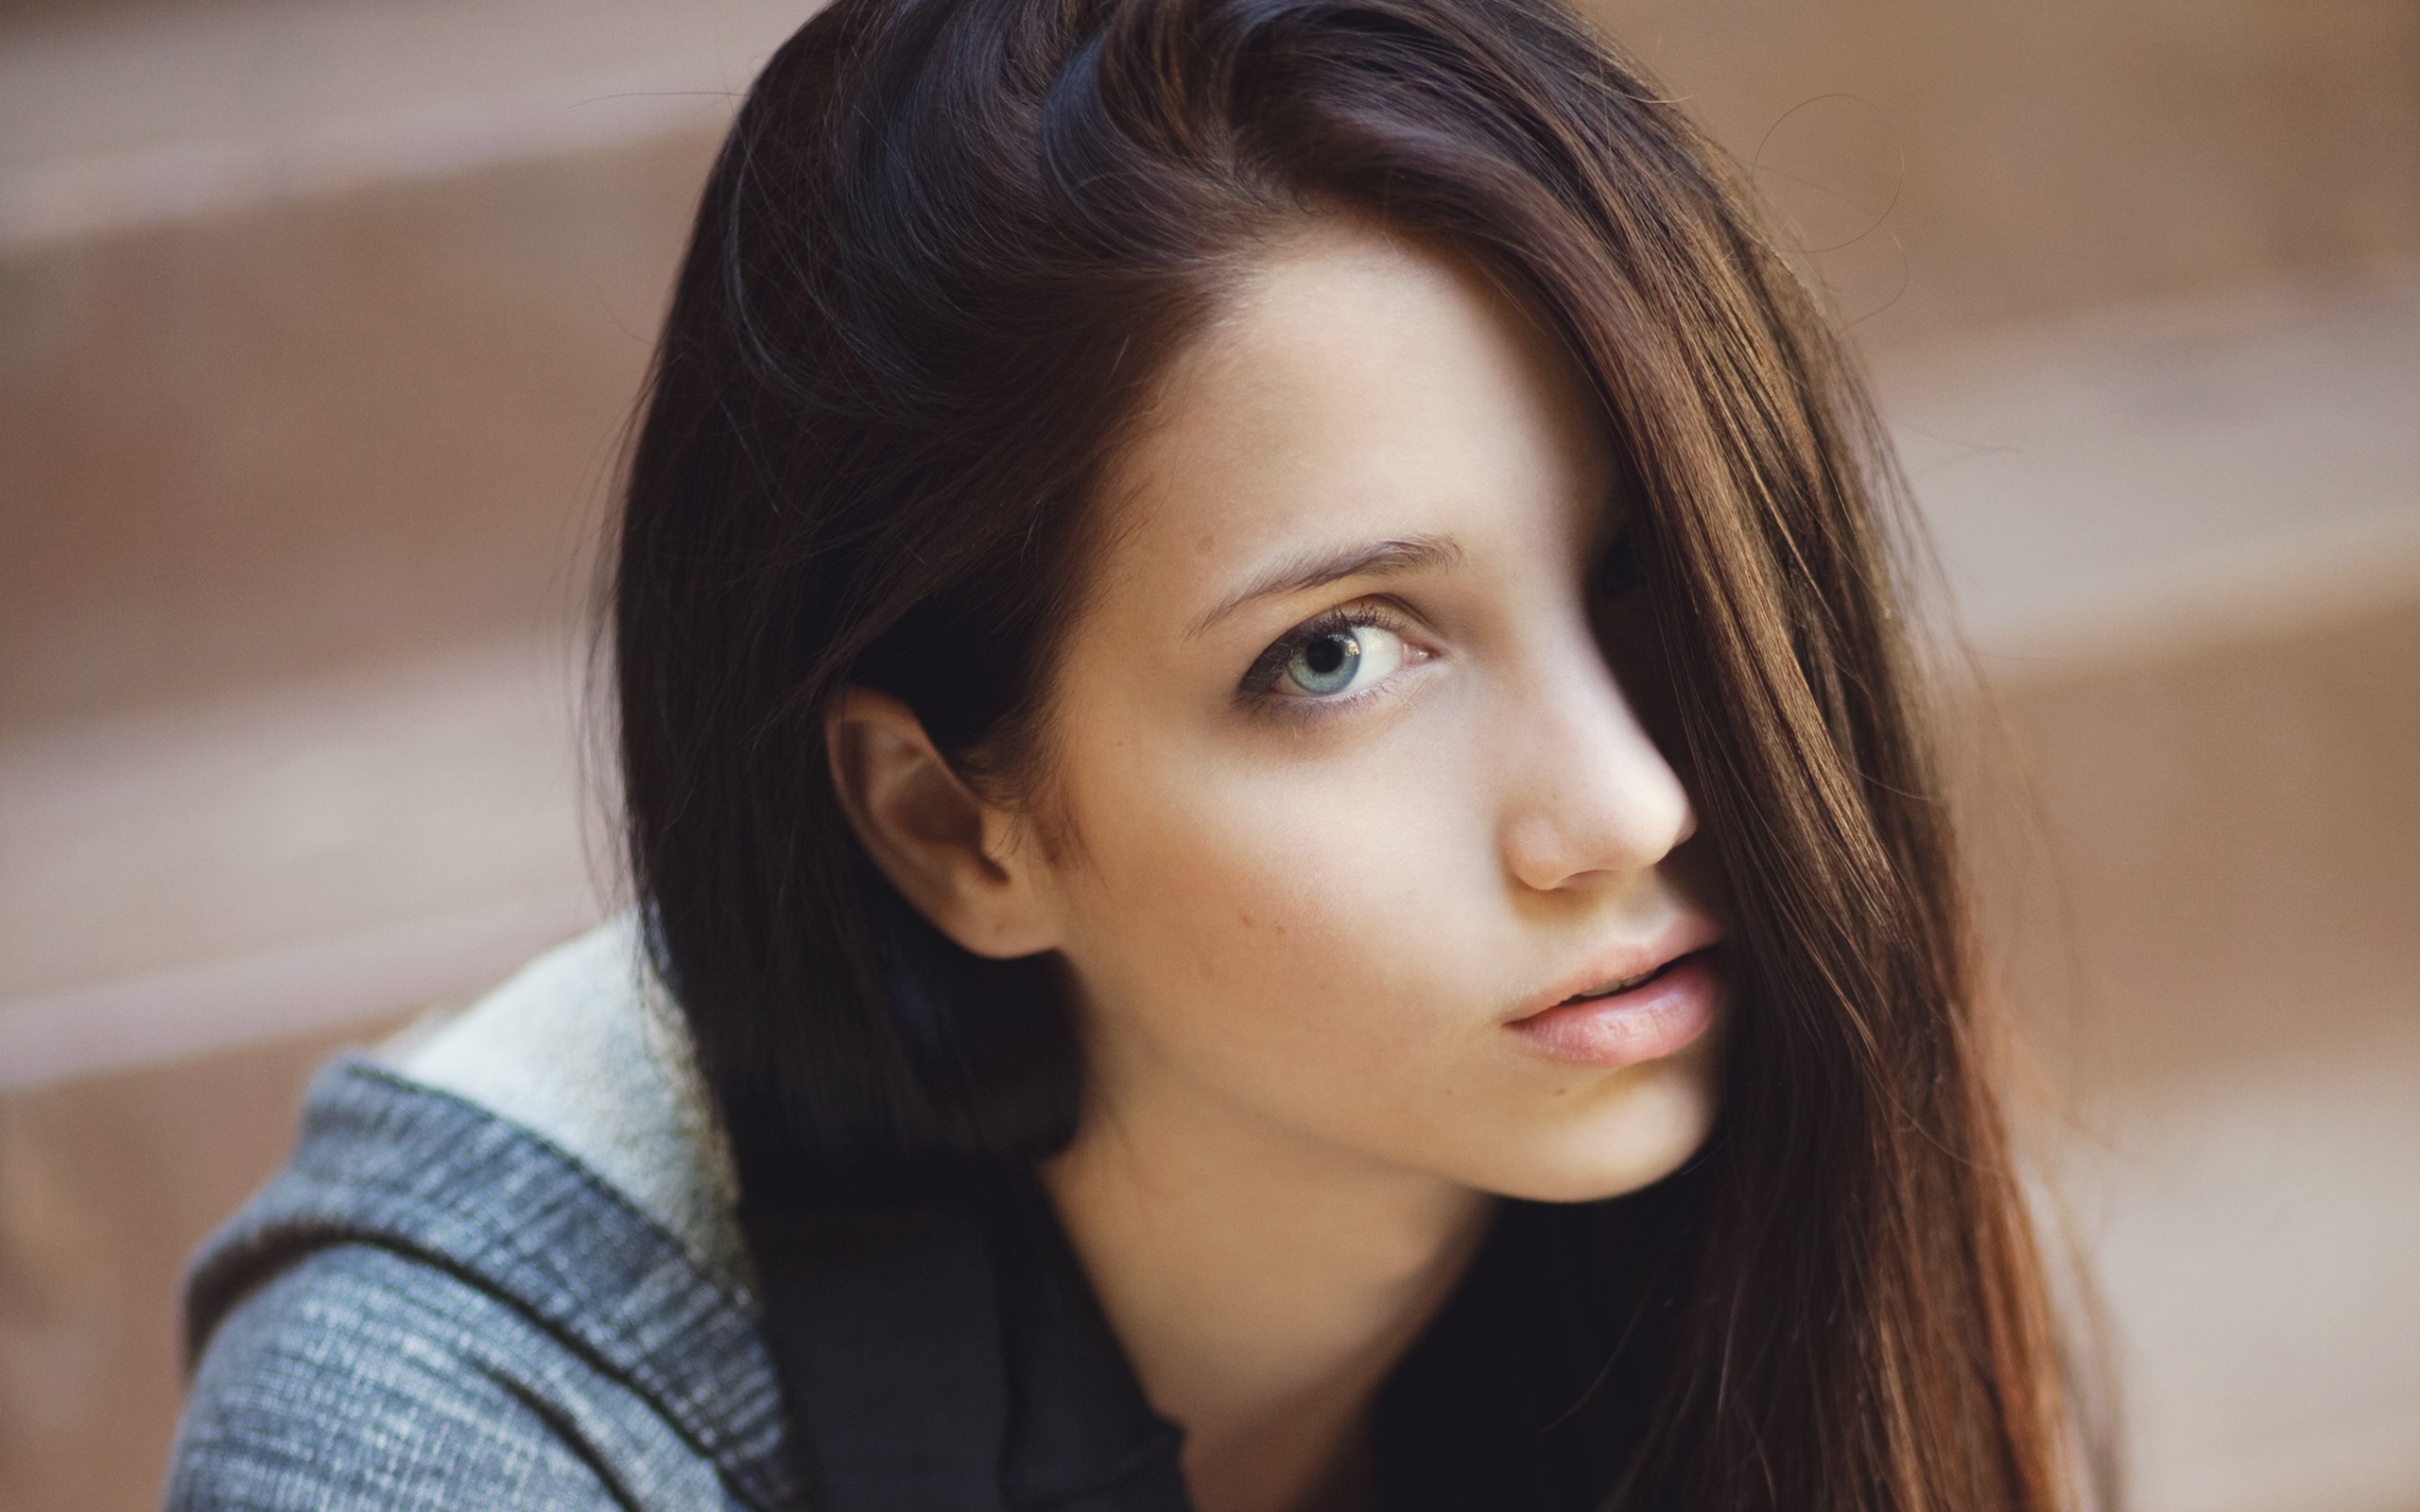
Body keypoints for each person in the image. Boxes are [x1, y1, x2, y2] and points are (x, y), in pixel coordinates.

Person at [164, 0, 2093, 1507]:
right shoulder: (457, 1431)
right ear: (954, 827)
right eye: (1334, 653)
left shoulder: (1764, 1163)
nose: (1624, 804)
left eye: (1646, 577)